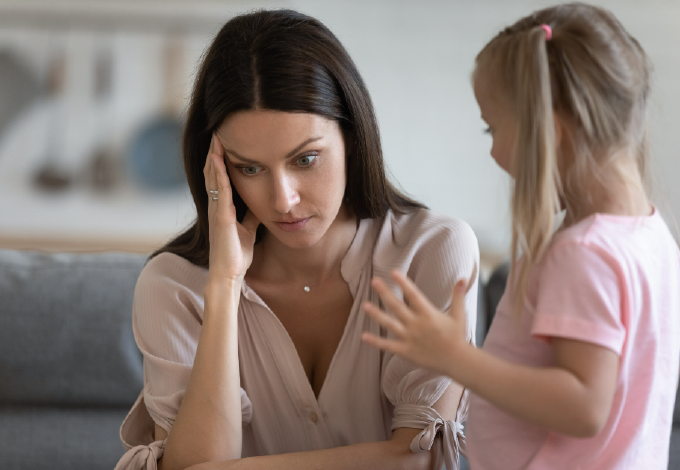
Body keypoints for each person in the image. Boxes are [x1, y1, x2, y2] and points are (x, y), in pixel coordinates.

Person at [115, 9, 479, 470]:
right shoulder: (173, 285)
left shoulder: (433, 250)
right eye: (249, 168)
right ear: (217, 169)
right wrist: (225, 286)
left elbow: (419, 461)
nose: (283, 200)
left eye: (305, 159)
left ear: (352, 136)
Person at [362, 3, 680, 469]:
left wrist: (456, 359)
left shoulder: (584, 253)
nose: (492, 151)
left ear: (548, 132)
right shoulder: (652, 235)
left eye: (493, 127)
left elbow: (584, 406)